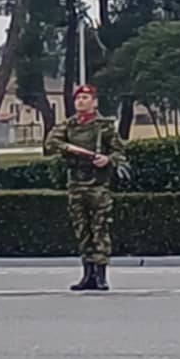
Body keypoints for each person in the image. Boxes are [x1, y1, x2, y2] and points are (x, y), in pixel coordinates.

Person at [44, 83, 126, 291]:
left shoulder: (104, 126)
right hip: (76, 184)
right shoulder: (69, 125)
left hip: (98, 185)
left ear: (94, 102)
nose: (81, 101)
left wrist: (107, 160)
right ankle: (87, 274)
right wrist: (70, 149)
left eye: (85, 98)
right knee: (82, 230)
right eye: (78, 98)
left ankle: (101, 275)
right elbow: (50, 143)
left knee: (100, 229)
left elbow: (120, 153)